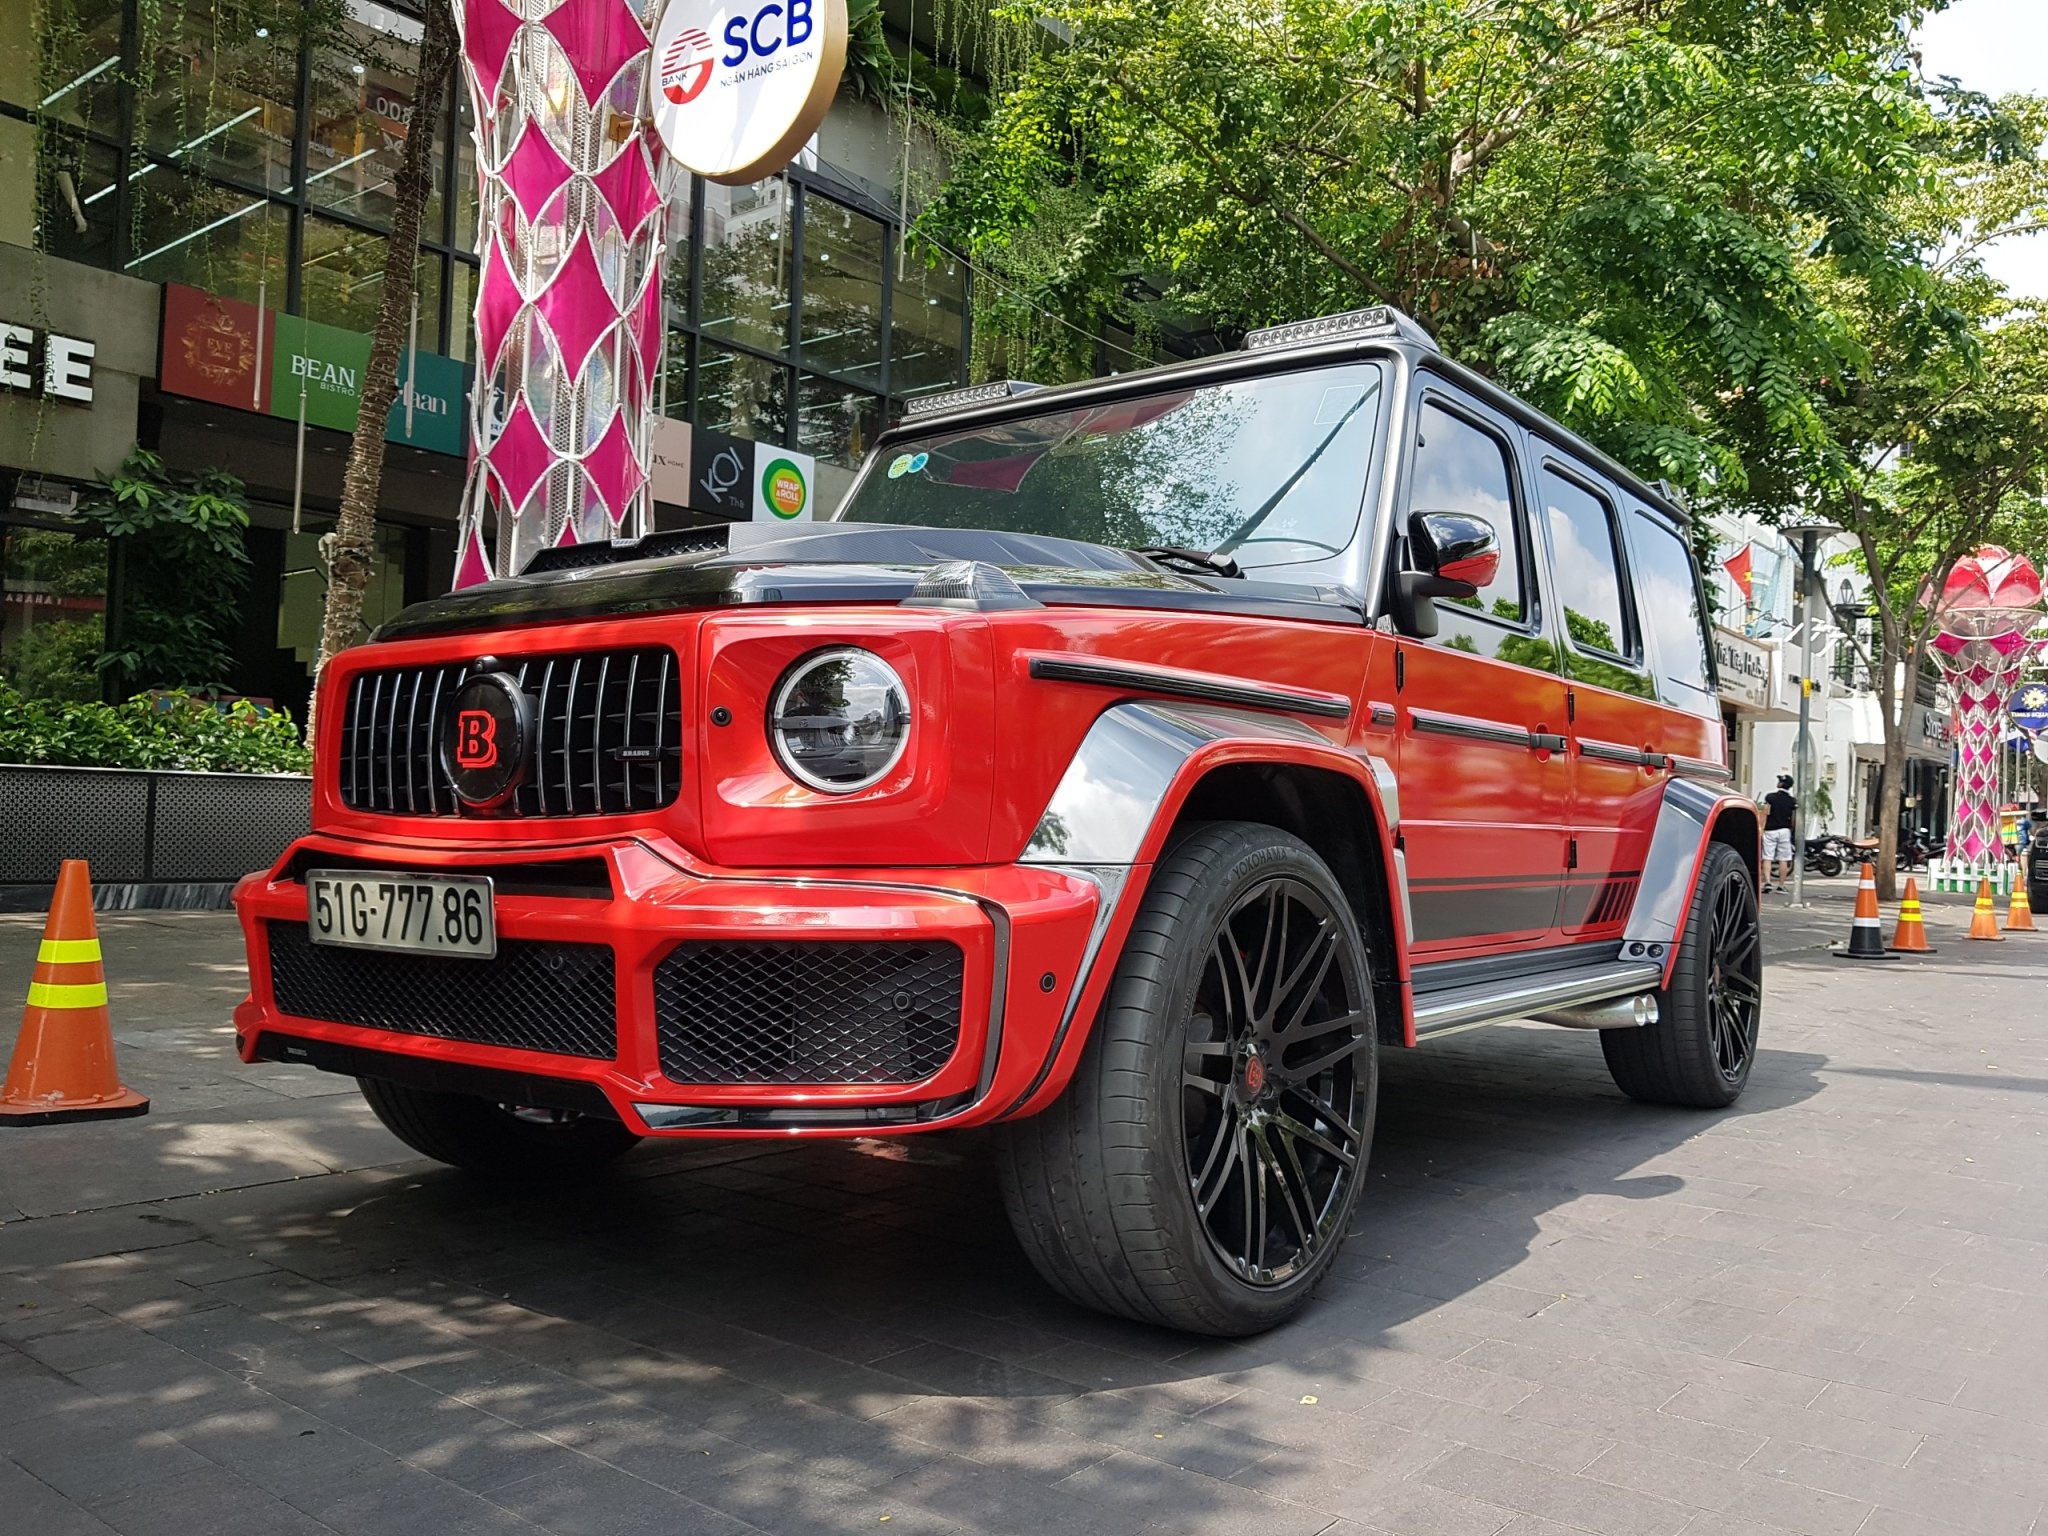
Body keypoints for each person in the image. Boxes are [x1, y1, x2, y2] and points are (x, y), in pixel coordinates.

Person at [1761, 774, 1797, 892]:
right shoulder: (1792, 801)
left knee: (1767, 857)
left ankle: (1768, 882)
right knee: (1783, 859)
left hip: (1770, 830)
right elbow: (1793, 819)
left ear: (1781, 784)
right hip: (1785, 831)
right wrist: (1792, 830)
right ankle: (1781, 885)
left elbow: (1765, 812)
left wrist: (1761, 827)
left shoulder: (1770, 797)